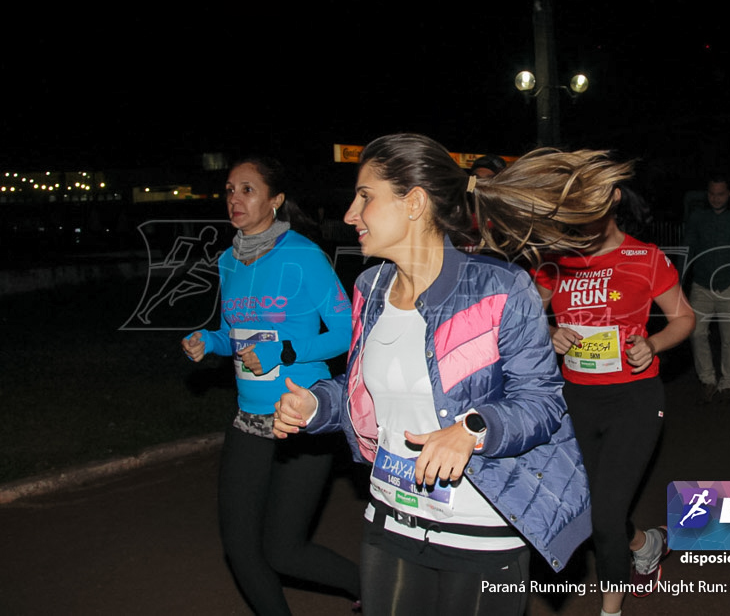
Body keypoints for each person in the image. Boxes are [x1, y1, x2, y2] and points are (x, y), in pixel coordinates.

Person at [272, 133, 616, 616]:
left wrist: (472, 429)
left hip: (481, 533)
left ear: (413, 203)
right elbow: (366, 386)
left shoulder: (499, 287)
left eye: (365, 197)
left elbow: (541, 403)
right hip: (390, 522)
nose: (350, 214)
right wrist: (317, 404)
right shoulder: (369, 289)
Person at [181, 157, 360, 615]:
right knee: (240, 548)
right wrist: (210, 341)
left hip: (302, 419)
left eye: (247, 189)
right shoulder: (228, 261)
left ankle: (375, 587)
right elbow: (233, 331)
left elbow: (346, 331)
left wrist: (283, 350)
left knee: (284, 551)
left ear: (275, 200)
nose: (235, 200)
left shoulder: (303, 255)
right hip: (249, 420)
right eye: (229, 190)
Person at [533, 175, 695, 613]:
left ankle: (611, 609)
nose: (581, 221)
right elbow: (525, 315)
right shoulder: (557, 260)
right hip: (575, 400)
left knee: (604, 515)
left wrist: (653, 344)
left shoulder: (645, 257)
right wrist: (550, 331)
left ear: (612, 201)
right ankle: (646, 543)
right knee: (594, 505)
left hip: (634, 400)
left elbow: (684, 318)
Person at [683, 173, 730, 404]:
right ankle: (707, 379)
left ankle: (728, 382)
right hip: (701, 284)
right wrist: (677, 281)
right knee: (696, 333)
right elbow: (688, 248)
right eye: (712, 194)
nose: (716, 199)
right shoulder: (698, 217)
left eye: (720, 194)